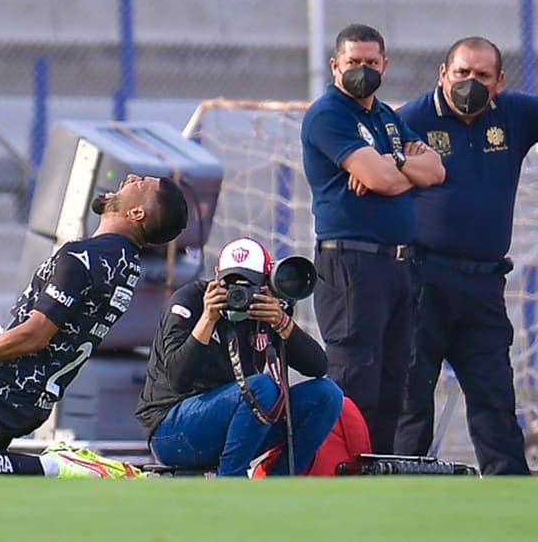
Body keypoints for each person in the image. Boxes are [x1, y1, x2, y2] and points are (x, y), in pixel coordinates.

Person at [0, 173, 190, 477]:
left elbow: (37, 333)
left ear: (137, 213)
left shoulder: (84, 257)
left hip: (4, 386)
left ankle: (58, 466)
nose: (130, 177)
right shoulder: (125, 265)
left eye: (140, 183)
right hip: (28, 393)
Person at [393, 36, 537, 474]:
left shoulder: (514, 115)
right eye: (461, 73)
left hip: (483, 285)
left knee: (495, 395)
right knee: (411, 395)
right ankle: (402, 489)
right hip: (421, 279)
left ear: (499, 83)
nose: (470, 83)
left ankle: (508, 494)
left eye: (482, 76)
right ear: (443, 73)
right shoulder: (410, 119)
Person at [300, 23, 445, 453]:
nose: (362, 71)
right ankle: (343, 470)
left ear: (385, 65)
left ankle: (377, 468)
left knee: (393, 376)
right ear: (334, 66)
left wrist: (390, 161)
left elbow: (435, 170)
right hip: (352, 264)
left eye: (370, 63)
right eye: (353, 63)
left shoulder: (386, 117)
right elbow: (382, 179)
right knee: (355, 374)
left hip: (398, 265)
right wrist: (392, 171)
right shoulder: (329, 114)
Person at [136, 237, 343, 476]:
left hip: (241, 419)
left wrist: (281, 322)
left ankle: (278, 485)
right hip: (172, 430)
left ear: (267, 283)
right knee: (262, 388)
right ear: (216, 277)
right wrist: (207, 319)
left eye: (248, 284)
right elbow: (177, 379)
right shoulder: (190, 300)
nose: (238, 293)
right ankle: (232, 483)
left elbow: (318, 367)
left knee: (327, 394)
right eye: (229, 283)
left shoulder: (267, 309)